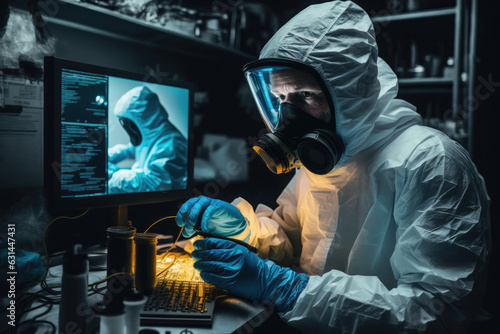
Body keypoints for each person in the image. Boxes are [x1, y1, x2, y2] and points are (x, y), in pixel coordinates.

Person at [176, 1, 491, 333]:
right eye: (280, 99)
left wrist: (285, 287)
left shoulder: (430, 162)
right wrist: (245, 229)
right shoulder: (320, 160)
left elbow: (433, 313)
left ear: (350, 92)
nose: (288, 116)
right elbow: (292, 244)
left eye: (304, 96)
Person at [108, 86, 187, 193]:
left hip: (166, 202)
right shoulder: (150, 135)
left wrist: (114, 176)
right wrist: (104, 157)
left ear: (141, 118)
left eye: (128, 122)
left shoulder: (171, 144)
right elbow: (130, 148)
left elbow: (157, 184)